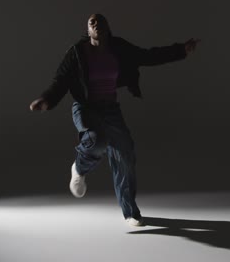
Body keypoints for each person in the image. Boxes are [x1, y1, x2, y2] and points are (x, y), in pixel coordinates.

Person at [29, 13, 200, 226]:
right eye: (91, 22)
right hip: (86, 108)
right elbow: (60, 81)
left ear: (108, 28)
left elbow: (148, 56)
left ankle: (130, 212)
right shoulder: (77, 53)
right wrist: (46, 100)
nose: (95, 23)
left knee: (125, 154)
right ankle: (79, 169)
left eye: (100, 21)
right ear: (88, 30)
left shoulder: (119, 48)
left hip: (110, 110)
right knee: (96, 140)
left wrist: (180, 50)